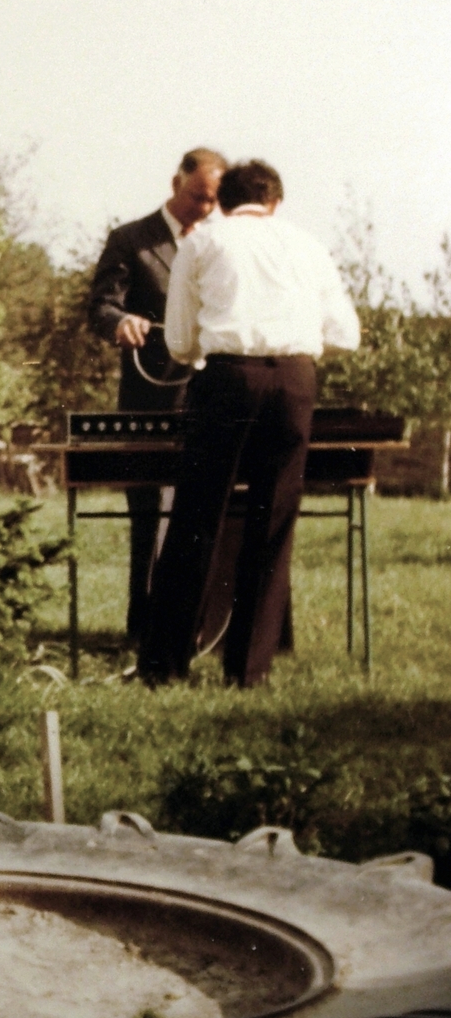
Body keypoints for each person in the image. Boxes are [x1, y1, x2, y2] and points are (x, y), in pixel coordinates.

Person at [140, 160, 360, 687]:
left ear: (222, 201)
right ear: (276, 202)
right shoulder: (309, 246)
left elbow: (179, 341)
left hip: (227, 378)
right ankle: (248, 671)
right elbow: (345, 332)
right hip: (293, 382)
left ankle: (166, 667)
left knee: (196, 518)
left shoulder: (202, 242)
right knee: (272, 523)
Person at [89, 148, 227, 641]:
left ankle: (203, 626)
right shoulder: (131, 239)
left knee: (208, 514)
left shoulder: (221, 243)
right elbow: (100, 305)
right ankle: (144, 626)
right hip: (151, 398)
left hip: (211, 394)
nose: (205, 210)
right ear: (175, 183)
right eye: (198, 198)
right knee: (149, 517)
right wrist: (120, 321)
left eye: (214, 201)